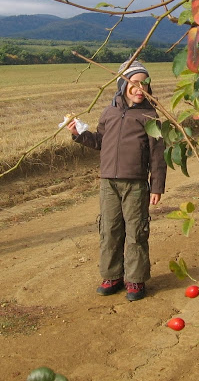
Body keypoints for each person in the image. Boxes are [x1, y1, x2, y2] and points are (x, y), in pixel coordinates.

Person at [67, 60, 166, 301]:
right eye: (134, 83)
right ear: (123, 84)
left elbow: (157, 156)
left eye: (144, 84)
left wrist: (157, 187)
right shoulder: (109, 112)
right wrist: (79, 135)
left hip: (136, 184)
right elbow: (100, 141)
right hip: (108, 183)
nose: (139, 88)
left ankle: (135, 280)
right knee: (109, 229)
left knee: (136, 232)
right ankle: (112, 275)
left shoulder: (150, 116)